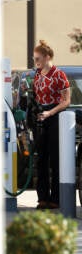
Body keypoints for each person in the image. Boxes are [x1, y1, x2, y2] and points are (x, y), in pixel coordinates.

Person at [33, 40, 71, 209]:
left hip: (55, 116)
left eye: (38, 58)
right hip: (41, 116)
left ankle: (55, 198)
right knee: (41, 159)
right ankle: (42, 198)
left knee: (55, 159)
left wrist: (50, 113)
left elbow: (66, 101)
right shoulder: (37, 74)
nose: (36, 62)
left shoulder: (59, 75)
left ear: (47, 57)